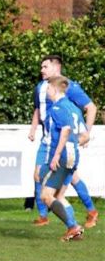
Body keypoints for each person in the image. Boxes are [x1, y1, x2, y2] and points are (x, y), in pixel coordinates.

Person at [27, 55, 98, 228]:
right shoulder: (41, 87)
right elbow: (38, 109)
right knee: (39, 175)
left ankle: (84, 215)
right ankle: (45, 215)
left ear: (56, 67)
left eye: (45, 67)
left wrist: (85, 133)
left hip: (63, 142)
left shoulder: (67, 87)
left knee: (63, 185)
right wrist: (33, 128)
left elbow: (90, 107)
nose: (41, 70)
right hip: (48, 140)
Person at [39, 76, 85, 241]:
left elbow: (65, 130)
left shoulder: (57, 108)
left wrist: (57, 154)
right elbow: (83, 134)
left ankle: (73, 227)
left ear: (55, 89)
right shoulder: (73, 108)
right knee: (58, 195)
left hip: (63, 155)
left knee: (46, 195)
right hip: (73, 155)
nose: (47, 92)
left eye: (49, 89)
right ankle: (74, 228)